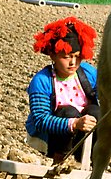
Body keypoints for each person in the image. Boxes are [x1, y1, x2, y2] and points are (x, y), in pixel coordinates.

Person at [25, 16, 100, 164]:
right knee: (68, 112)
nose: (73, 62)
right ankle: (61, 163)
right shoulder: (42, 81)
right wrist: (74, 123)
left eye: (77, 57)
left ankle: (92, 161)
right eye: (66, 57)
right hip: (54, 135)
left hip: (84, 130)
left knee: (97, 111)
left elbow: (106, 98)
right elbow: (40, 119)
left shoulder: (89, 73)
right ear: (53, 55)